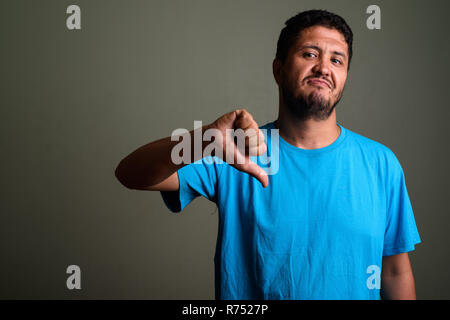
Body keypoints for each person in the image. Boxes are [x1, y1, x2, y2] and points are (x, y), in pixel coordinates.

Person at [115, 9, 421, 300]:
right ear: (279, 69)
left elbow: (395, 272)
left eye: (337, 60)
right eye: (309, 54)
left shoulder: (381, 164)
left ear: (344, 76)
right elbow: (130, 174)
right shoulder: (232, 151)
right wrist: (203, 139)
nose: (323, 68)